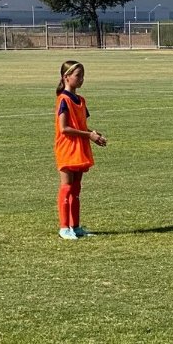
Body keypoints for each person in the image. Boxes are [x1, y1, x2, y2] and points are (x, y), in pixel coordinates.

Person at [54, 60, 108, 240]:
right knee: (67, 187)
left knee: (76, 189)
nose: (81, 79)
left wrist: (93, 134)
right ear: (66, 77)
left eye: (82, 75)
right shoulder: (63, 99)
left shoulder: (81, 100)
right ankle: (64, 227)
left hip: (79, 147)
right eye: (78, 75)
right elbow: (64, 128)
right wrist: (88, 136)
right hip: (67, 147)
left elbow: (81, 125)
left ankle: (75, 227)